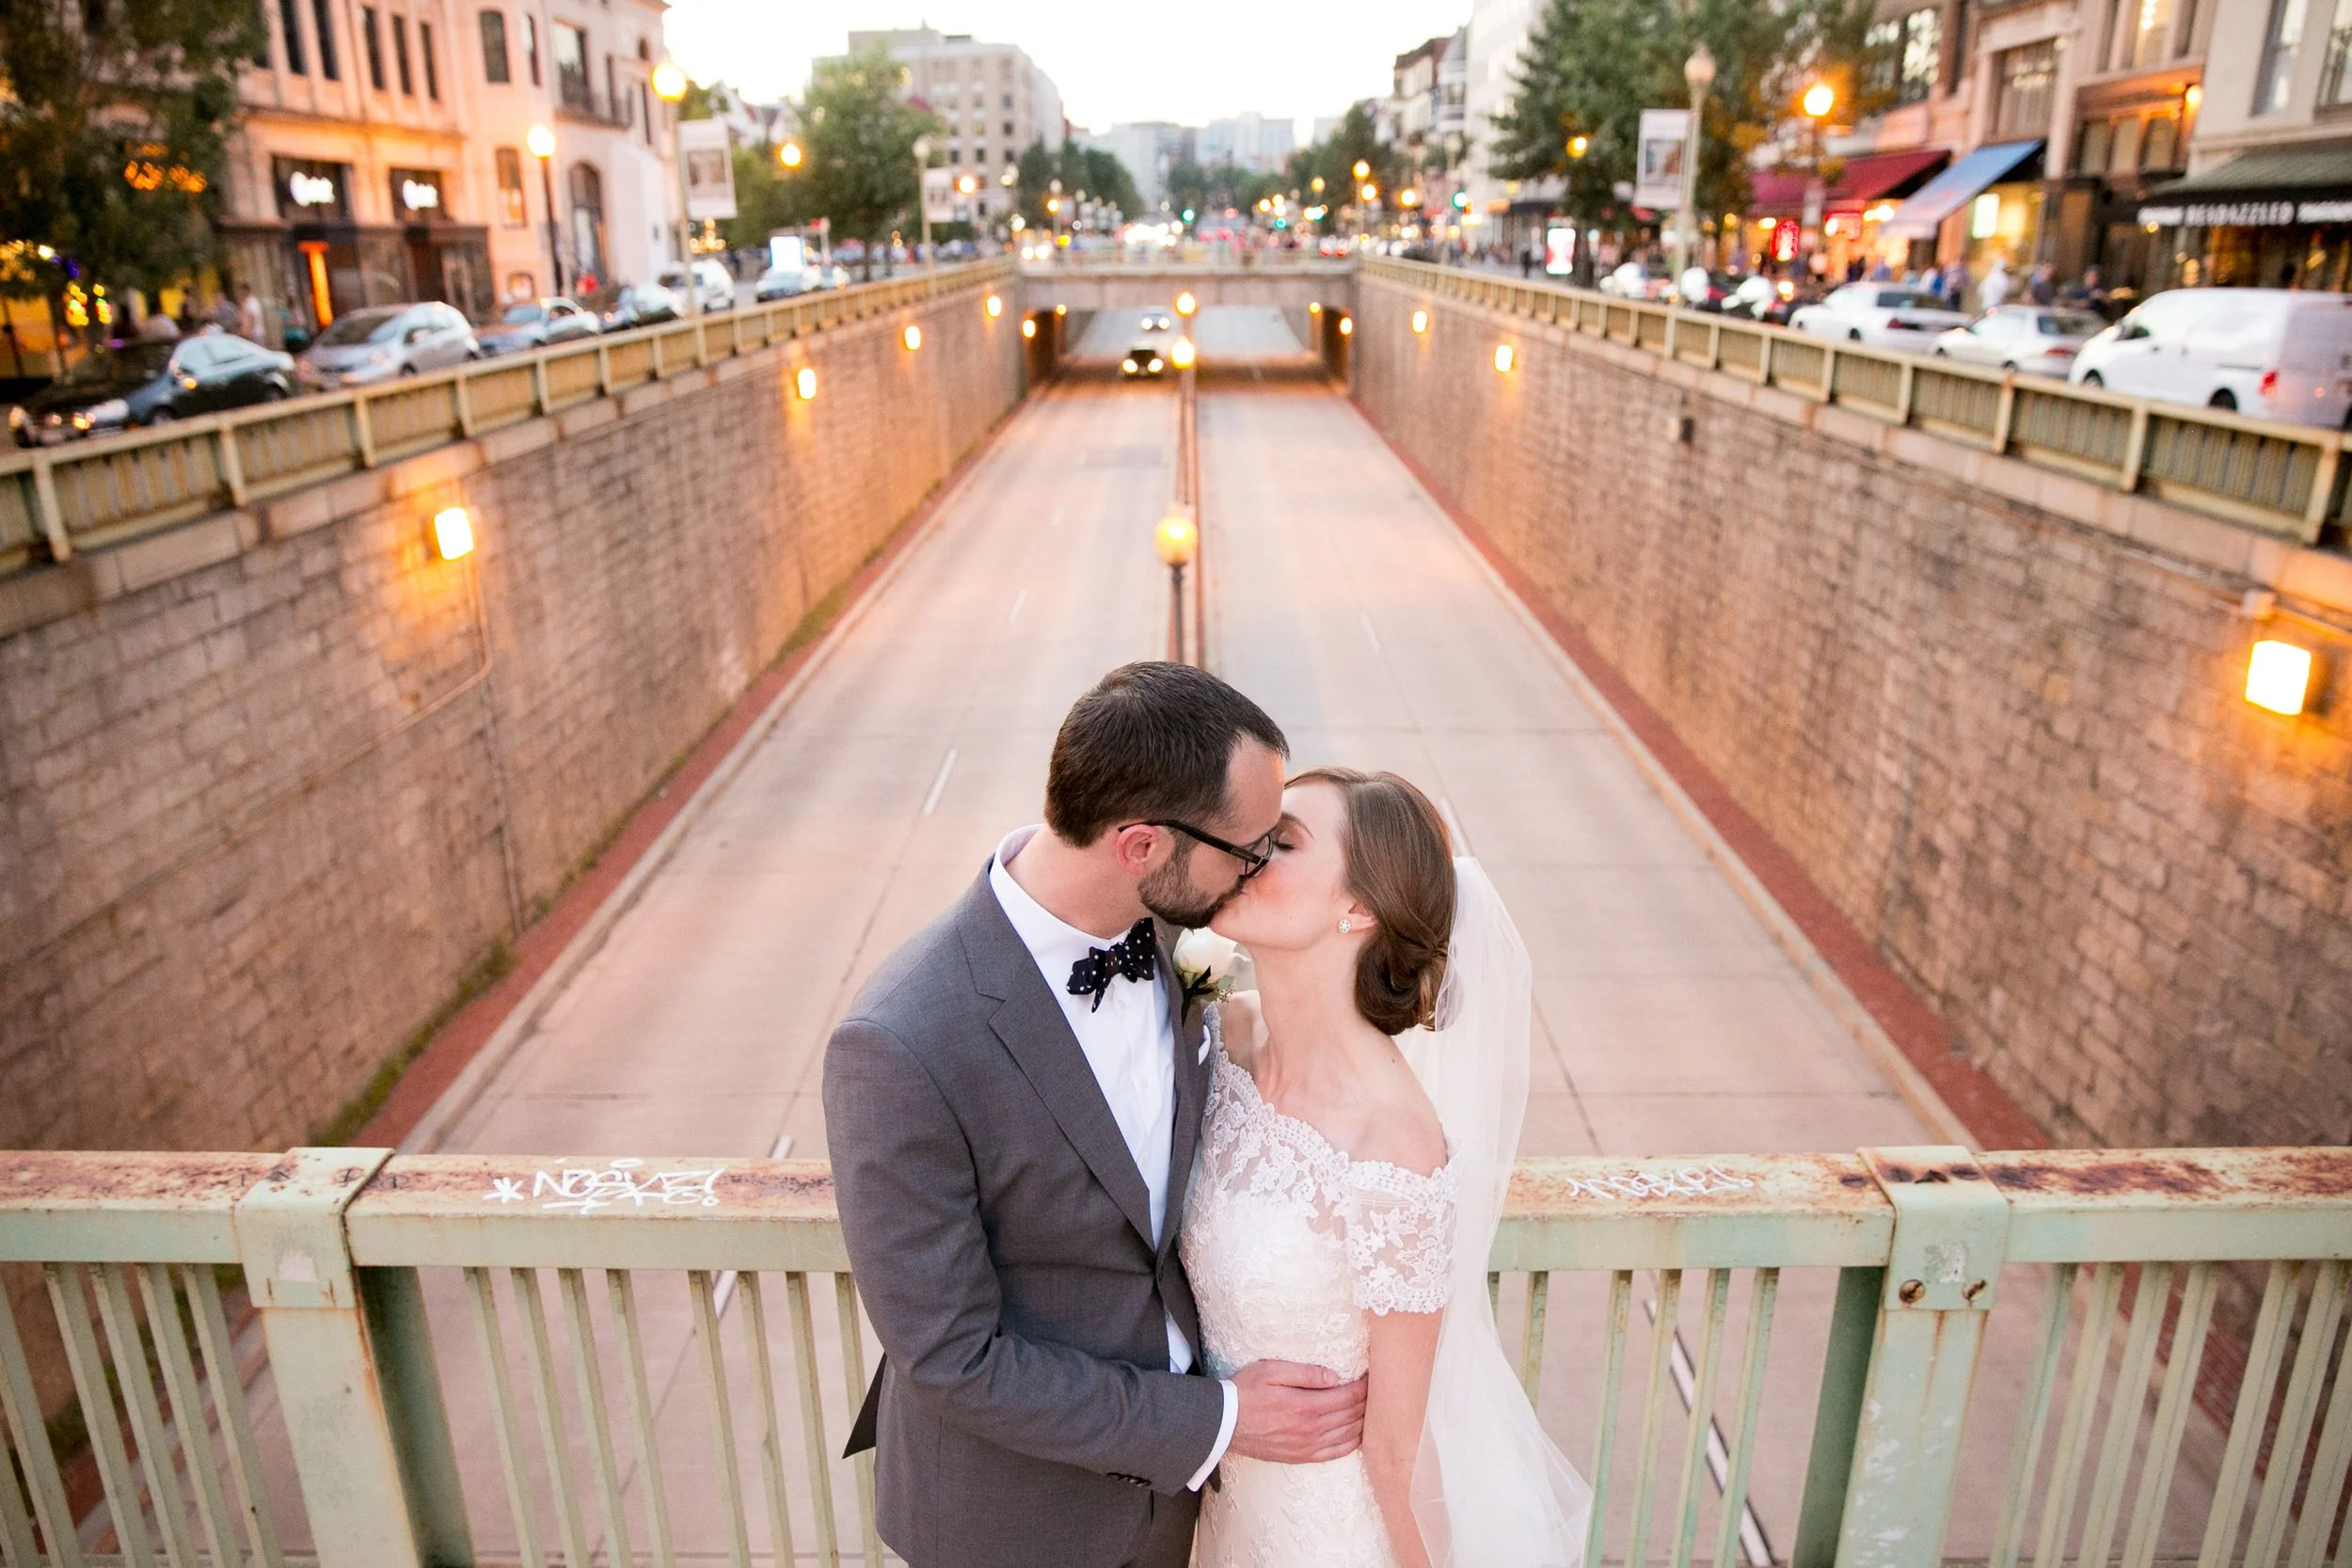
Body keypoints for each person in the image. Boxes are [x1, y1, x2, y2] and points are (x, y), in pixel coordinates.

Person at [825, 663, 1368, 1568]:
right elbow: (955, 1358)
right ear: (1142, 846)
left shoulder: (1180, 945)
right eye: (1250, 847)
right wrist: (1224, 1417)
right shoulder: (900, 1045)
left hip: (1178, 1516)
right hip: (1014, 1523)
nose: (1260, 868)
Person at [1185, 768, 1589, 1566]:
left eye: (1284, 842)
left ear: (1358, 908)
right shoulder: (1218, 1036)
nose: (1248, 852)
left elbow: (1399, 1458)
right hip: (1210, 1511)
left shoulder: (1394, 1149)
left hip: (1324, 1536)